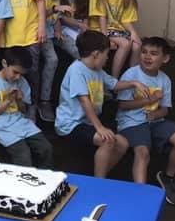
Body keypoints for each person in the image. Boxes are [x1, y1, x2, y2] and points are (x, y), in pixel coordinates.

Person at [54, 30, 148, 178]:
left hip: (87, 123)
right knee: (107, 141)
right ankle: (99, 182)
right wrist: (100, 127)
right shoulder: (76, 70)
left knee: (122, 142)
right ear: (96, 54)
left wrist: (134, 83)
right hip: (70, 124)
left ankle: (97, 176)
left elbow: (114, 84)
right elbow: (84, 101)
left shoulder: (97, 70)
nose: (108, 57)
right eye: (106, 53)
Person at [116, 36, 175, 205]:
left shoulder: (164, 79)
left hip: (155, 122)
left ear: (165, 58)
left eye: (154, 53)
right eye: (144, 52)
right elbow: (122, 105)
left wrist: (155, 115)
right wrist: (148, 101)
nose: (147, 56)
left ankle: (168, 177)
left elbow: (165, 109)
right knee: (142, 152)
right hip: (131, 122)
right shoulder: (131, 74)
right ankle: (140, 195)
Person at [0, 48, 53, 169]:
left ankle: (46, 179)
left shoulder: (22, 82)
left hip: (20, 121)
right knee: (23, 155)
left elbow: (24, 111)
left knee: (46, 148)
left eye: (21, 74)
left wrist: (19, 100)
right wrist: (8, 100)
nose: (18, 77)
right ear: (4, 64)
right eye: (15, 72)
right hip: (1, 123)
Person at [33, 0, 69, 123]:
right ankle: (44, 101)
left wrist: (58, 27)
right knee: (52, 59)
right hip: (38, 32)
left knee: (78, 50)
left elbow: (56, 16)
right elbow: (35, 15)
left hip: (52, 31)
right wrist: (55, 9)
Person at [89, 0, 141, 77]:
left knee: (137, 45)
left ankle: (131, 79)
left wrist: (133, 33)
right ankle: (114, 80)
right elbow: (101, 17)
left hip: (118, 31)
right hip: (99, 29)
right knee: (125, 44)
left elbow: (126, 20)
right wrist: (105, 38)